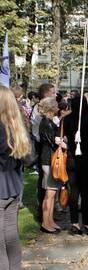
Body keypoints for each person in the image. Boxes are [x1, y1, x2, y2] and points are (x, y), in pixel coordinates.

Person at [0, 86, 31, 269]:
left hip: (4, 187)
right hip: (13, 186)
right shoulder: (15, 126)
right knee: (10, 235)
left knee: (3, 240)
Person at [64, 96, 88, 235]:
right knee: (85, 192)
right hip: (86, 160)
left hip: (72, 158)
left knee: (74, 191)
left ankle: (74, 222)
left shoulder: (66, 120)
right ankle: (86, 223)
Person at [30, 83, 57, 222]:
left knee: (50, 184)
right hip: (43, 148)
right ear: (46, 93)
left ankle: (50, 213)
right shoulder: (40, 110)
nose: (55, 94)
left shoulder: (48, 111)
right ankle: (43, 214)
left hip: (48, 147)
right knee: (45, 183)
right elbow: (41, 132)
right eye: (53, 92)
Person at [38, 97, 63, 233]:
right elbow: (52, 142)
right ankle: (45, 222)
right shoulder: (45, 123)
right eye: (56, 106)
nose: (58, 108)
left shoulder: (49, 122)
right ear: (51, 108)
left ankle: (50, 220)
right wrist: (61, 142)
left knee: (52, 192)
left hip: (50, 159)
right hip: (48, 160)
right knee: (49, 193)